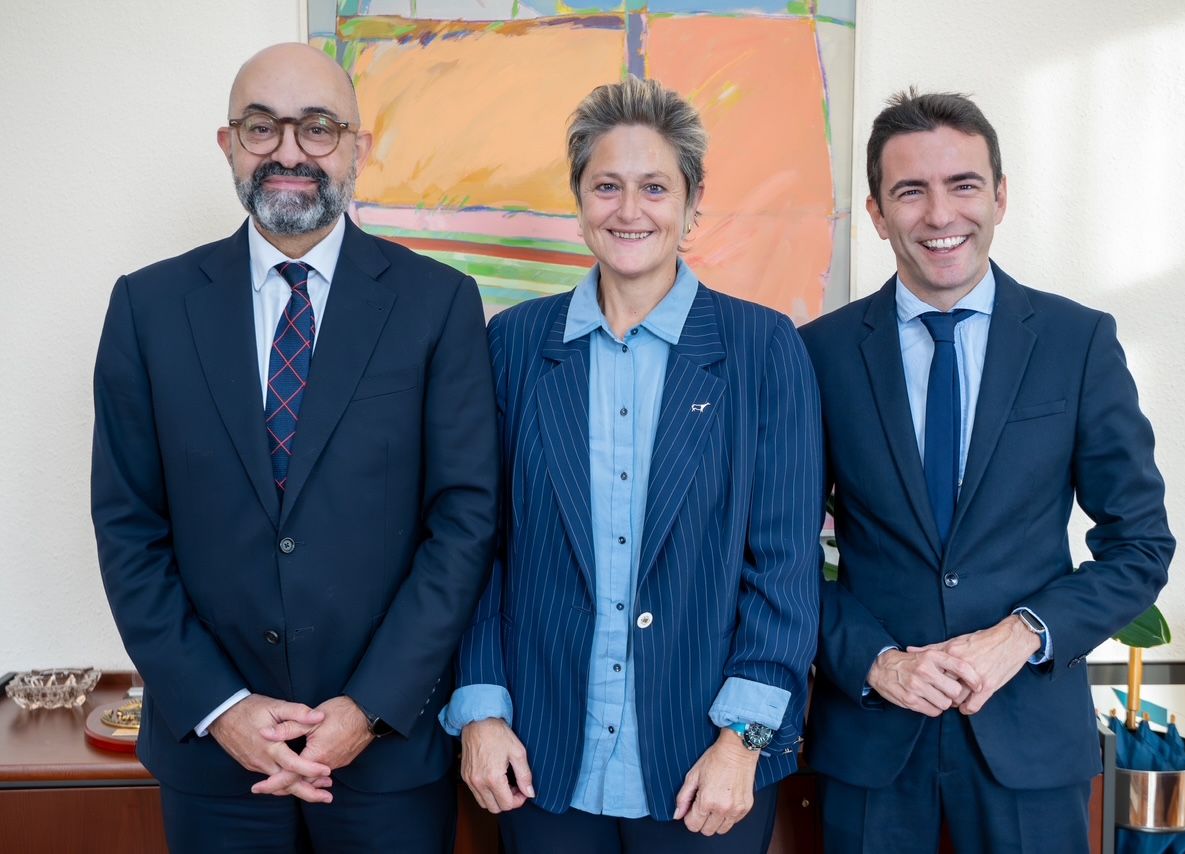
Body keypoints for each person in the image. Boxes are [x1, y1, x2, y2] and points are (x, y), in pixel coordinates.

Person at [91, 43, 498, 853]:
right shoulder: (148, 307)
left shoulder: (438, 303)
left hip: (386, 756)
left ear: (358, 147)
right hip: (215, 760)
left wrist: (370, 707)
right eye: (261, 127)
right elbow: (129, 529)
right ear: (227, 143)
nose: (289, 151)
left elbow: (464, 523)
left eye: (317, 127)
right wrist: (222, 708)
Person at [438, 76, 823, 854]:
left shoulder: (764, 348)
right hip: (538, 759)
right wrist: (480, 709)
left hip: (706, 764)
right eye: (606, 185)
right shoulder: (514, 344)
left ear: (692, 201)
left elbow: (785, 565)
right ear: (579, 200)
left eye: (655, 187)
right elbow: (478, 545)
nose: (629, 209)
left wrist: (742, 741)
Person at [799, 89, 1175, 853]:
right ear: (877, 213)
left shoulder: (1077, 342)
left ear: (1000, 197)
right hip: (873, 743)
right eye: (911, 191)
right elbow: (777, 553)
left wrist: (1022, 635)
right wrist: (874, 661)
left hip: (1031, 742)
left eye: (963, 185)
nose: (940, 214)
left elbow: (1140, 545)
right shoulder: (819, 353)